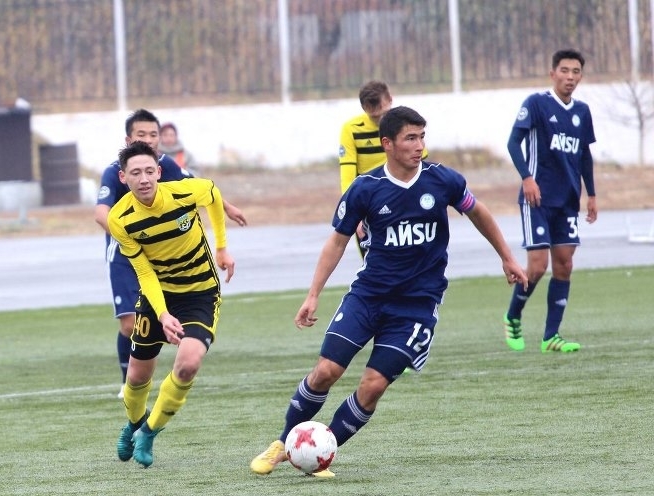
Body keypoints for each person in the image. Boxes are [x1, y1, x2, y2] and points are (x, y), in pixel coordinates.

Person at [250, 106, 527, 477]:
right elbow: (336, 242)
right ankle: (284, 442)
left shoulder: (442, 180)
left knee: (373, 385)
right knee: (326, 371)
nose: (419, 146)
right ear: (388, 144)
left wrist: (507, 257)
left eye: (422, 137)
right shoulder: (365, 188)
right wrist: (313, 294)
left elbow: (479, 212)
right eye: (410, 138)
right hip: (368, 297)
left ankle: (321, 453)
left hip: (416, 308)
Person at [94, 109, 246, 400]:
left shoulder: (165, 166)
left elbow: (200, 188)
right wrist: (136, 235)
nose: (149, 139)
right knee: (129, 323)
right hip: (127, 253)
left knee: (161, 315)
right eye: (141, 134)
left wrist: (226, 207)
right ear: (128, 139)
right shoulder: (115, 172)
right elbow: (101, 213)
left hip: (164, 256)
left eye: (153, 134)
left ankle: (163, 361)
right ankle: (127, 380)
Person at [108, 140, 235, 468]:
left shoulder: (184, 192)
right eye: (136, 173)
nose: (144, 179)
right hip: (158, 295)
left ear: (159, 172)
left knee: (188, 364)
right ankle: (134, 423)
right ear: (123, 177)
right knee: (137, 376)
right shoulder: (119, 218)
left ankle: (149, 431)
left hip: (200, 293)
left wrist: (222, 246)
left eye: (149, 171)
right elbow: (144, 272)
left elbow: (213, 193)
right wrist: (163, 314)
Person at [502, 49, 597, 354]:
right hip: (538, 199)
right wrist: (527, 178)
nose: (570, 77)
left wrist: (592, 194)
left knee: (565, 265)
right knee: (537, 266)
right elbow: (513, 142)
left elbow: (584, 155)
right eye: (565, 70)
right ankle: (513, 316)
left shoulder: (582, 111)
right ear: (552, 73)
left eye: (576, 72)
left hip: (567, 200)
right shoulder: (536, 104)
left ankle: (551, 336)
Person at [339, 80, 427, 257]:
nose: (381, 121)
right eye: (374, 117)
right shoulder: (351, 129)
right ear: (364, 108)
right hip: (370, 201)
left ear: (390, 100)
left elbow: (422, 168)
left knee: (415, 258)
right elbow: (347, 176)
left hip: (404, 197)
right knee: (373, 262)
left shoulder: (406, 126)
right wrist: (353, 214)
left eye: (384, 114)